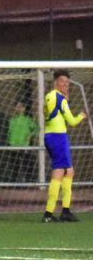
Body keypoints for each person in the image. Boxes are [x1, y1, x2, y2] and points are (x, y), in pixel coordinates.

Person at [42, 70, 87, 223]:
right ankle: (49, 213)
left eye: (67, 83)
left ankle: (65, 210)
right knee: (59, 173)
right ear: (56, 82)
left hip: (50, 136)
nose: (65, 85)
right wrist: (82, 115)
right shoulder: (60, 99)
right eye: (62, 81)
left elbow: (48, 114)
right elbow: (73, 122)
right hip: (58, 137)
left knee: (69, 172)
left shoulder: (48, 96)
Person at [7, 101, 37, 184]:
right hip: (13, 146)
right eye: (17, 106)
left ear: (24, 108)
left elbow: (37, 129)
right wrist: (9, 142)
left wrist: (30, 136)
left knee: (26, 165)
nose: (19, 108)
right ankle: (13, 184)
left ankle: (28, 183)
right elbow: (9, 133)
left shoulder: (28, 120)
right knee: (14, 166)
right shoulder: (12, 120)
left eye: (21, 107)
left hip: (24, 146)